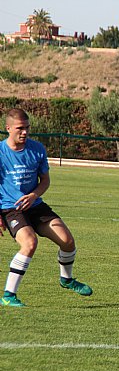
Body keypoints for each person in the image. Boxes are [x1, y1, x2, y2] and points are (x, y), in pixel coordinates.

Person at [0, 108, 92, 307]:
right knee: (30, 243)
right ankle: (9, 295)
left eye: (27, 128)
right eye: (20, 128)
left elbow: (45, 180)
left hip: (35, 205)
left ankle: (66, 279)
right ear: (8, 128)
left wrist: (34, 195)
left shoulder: (37, 149)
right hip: (11, 208)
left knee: (67, 241)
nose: (24, 132)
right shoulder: (0, 153)